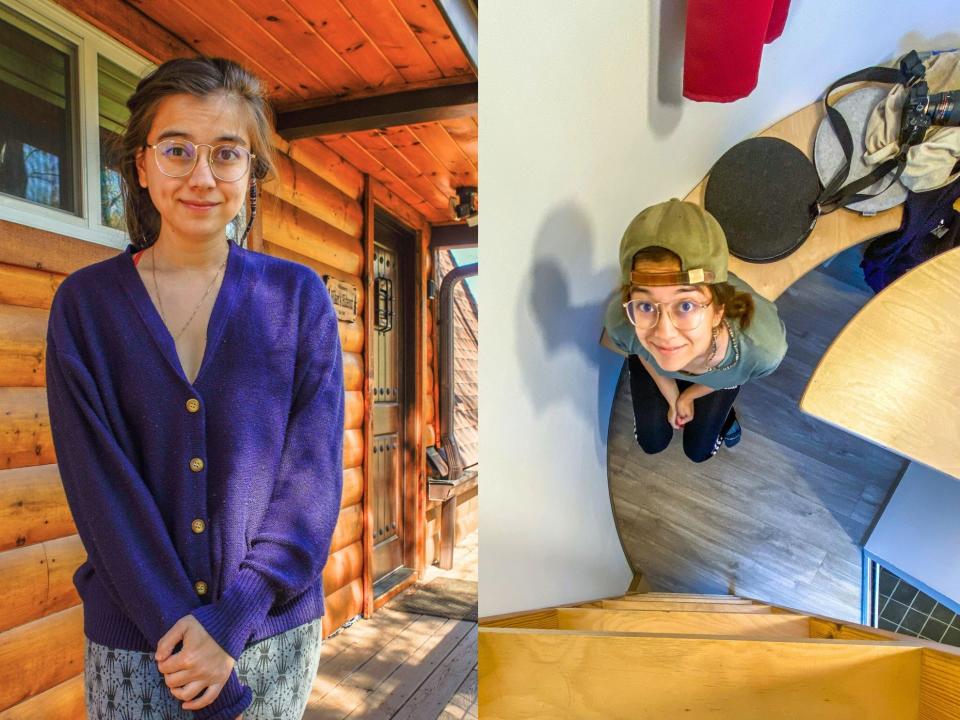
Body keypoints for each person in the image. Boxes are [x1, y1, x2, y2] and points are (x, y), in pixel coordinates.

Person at [44, 57, 344, 720]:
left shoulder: (298, 301)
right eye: (178, 149)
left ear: (251, 172)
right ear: (142, 164)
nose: (202, 176)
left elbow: (312, 481)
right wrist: (186, 637)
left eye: (226, 153)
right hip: (137, 642)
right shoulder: (86, 307)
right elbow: (100, 492)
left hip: (269, 634)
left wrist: (233, 618)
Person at [603, 199, 787, 462]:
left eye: (686, 305)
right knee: (651, 441)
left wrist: (691, 394)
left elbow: (740, 371)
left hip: (720, 375)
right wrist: (674, 396)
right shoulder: (624, 323)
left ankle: (723, 417)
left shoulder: (761, 349)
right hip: (659, 368)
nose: (664, 333)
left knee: (699, 451)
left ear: (719, 310)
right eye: (645, 304)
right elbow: (642, 351)